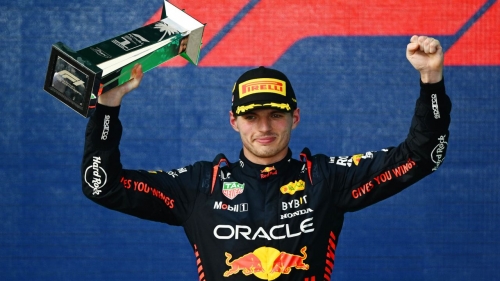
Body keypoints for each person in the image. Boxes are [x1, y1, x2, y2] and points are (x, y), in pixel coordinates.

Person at [82, 35, 451, 280]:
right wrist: (108, 106)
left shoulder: (325, 178)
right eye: (251, 116)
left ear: (295, 116)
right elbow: (102, 185)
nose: (264, 127)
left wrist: (431, 79)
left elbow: (422, 157)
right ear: (234, 122)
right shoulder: (200, 185)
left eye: (276, 114)